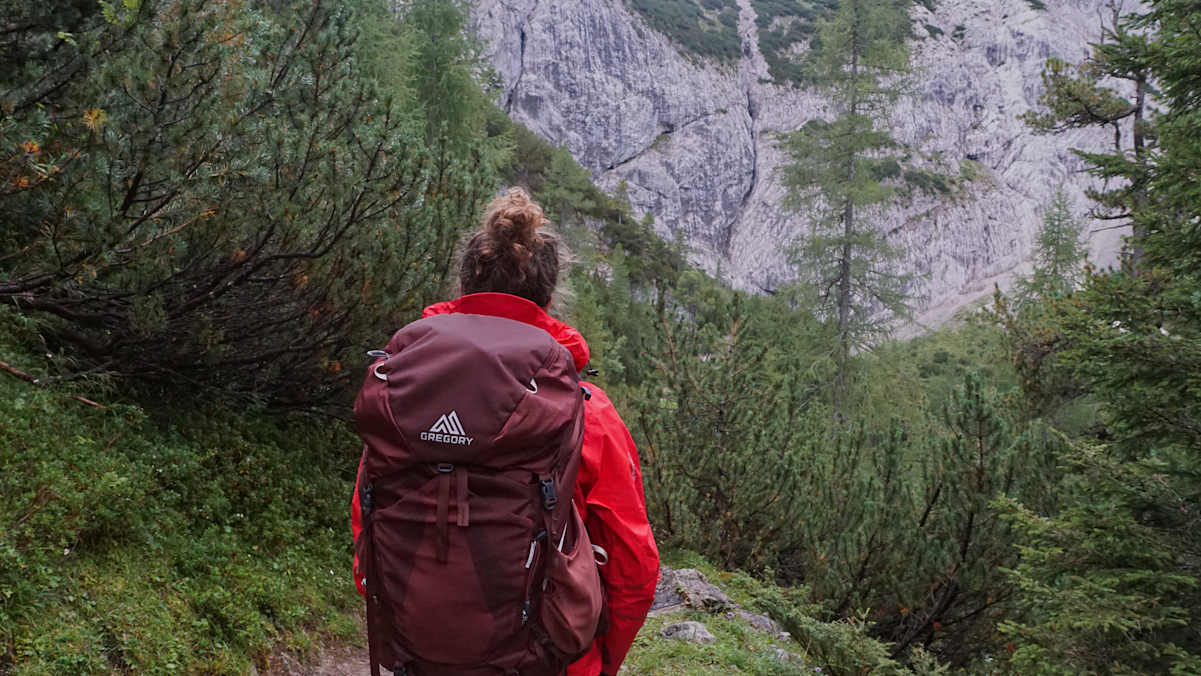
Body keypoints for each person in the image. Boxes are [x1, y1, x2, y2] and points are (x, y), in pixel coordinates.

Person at [351, 187, 660, 676]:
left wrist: (422, 622)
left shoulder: (406, 390)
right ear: (550, 298)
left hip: (419, 654)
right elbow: (633, 568)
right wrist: (599, 661)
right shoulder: (584, 411)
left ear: (464, 290)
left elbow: (367, 519)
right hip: (544, 660)